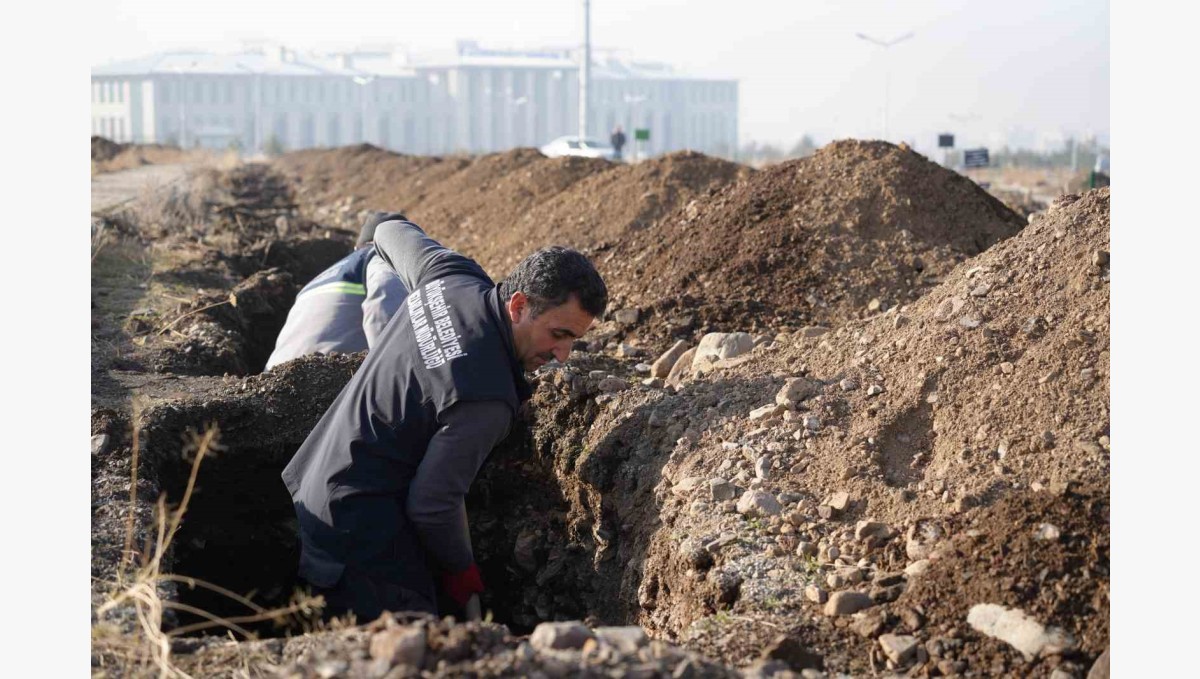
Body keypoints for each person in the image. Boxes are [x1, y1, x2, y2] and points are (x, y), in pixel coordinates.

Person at [281, 217, 607, 622]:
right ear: (519, 305)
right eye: (558, 334)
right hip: (358, 527)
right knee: (409, 646)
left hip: (318, 481)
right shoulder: (486, 399)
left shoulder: (449, 276)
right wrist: (462, 571)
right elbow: (433, 503)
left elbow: (386, 230)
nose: (563, 355)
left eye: (573, 340)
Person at [264, 211, 409, 371]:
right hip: (325, 376)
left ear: (356, 246)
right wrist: (400, 371)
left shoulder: (315, 281)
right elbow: (385, 310)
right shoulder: (379, 256)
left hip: (272, 377)